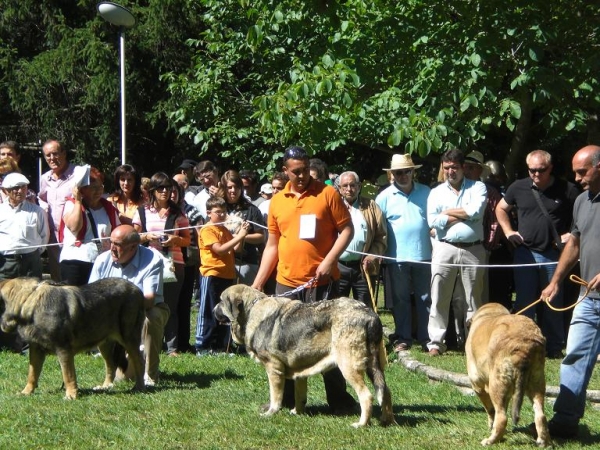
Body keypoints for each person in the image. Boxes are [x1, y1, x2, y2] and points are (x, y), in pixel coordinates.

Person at [251, 145, 357, 413]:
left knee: (328, 342)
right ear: (285, 171)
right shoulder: (277, 201)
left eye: (305, 169)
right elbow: (272, 245)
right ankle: (286, 400)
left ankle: (339, 400)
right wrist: (258, 282)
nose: (301, 176)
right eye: (295, 172)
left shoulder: (327, 193)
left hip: (322, 283)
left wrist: (330, 260)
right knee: (282, 344)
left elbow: (346, 229)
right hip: (287, 284)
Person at [540, 145, 600, 438]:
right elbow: (573, 245)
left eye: (582, 171)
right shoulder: (581, 202)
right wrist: (555, 281)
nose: (577, 178)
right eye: (575, 172)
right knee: (574, 355)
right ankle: (564, 421)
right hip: (588, 299)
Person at [496, 150, 579, 358]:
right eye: (531, 170)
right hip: (525, 254)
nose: (535, 174)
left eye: (540, 170)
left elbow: (583, 212)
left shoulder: (566, 189)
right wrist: (508, 232)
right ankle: (523, 345)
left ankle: (554, 347)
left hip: (554, 255)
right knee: (525, 302)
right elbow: (501, 209)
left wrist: (573, 233)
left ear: (550, 168)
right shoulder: (518, 187)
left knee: (553, 302)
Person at [89, 225, 170, 387]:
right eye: (111, 242)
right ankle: (111, 376)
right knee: (124, 378)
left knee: (151, 317)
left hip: (146, 311)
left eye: (117, 244)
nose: (112, 248)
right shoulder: (102, 260)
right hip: (113, 319)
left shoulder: (152, 259)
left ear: (133, 247)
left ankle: (151, 375)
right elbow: (91, 297)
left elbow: (148, 300)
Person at [427, 149, 487, 356]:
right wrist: (462, 214)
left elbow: (476, 212)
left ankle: (474, 343)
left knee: (473, 299)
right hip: (445, 248)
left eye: (454, 167)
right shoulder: (435, 192)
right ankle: (436, 342)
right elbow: (433, 221)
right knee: (439, 296)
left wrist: (446, 213)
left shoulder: (478, 187)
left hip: (473, 249)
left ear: (462, 168)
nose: (450, 172)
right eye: (446, 168)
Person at [376, 154, 432, 352]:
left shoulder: (426, 192)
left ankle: (427, 338)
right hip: (396, 257)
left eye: (406, 171)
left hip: (425, 254)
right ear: (392, 174)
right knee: (400, 300)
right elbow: (378, 228)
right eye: (398, 172)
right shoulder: (383, 197)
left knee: (425, 298)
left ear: (413, 172)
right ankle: (403, 337)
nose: (403, 176)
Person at [132, 173, 191, 356]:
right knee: (148, 304)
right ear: (152, 191)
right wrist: (146, 237)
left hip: (173, 264)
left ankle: (172, 347)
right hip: (147, 264)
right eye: (160, 188)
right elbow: (133, 237)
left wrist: (175, 239)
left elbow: (187, 240)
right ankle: (146, 342)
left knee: (170, 306)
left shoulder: (178, 213)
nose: (165, 191)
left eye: (168, 188)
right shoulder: (142, 211)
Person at [195, 196, 250, 355]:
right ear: (208, 213)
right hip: (212, 274)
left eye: (224, 212)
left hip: (227, 274)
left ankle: (221, 345)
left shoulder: (224, 229)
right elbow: (219, 249)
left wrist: (242, 233)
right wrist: (239, 236)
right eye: (218, 212)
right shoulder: (208, 229)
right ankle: (203, 345)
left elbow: (237, 248)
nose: (221, 215)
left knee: (226, 311)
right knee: (208, 310)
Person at [59, 167, 120, 285]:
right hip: (75, 262)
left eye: (100, 187)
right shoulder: (71, 204)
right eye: (94, 188)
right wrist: (78, 201)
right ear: (82, 190)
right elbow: (74, 227)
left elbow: (117, 230)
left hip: (101, 261)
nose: (98, 191)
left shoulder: (108, 207)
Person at [336, 170, 387, 308]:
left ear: (359, 187)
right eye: (345, 186)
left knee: (364, 309)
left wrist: (372, 256)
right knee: (337, 310)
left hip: (363, 267)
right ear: (339, 189)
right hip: (338, 266)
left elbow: (381, 236)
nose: (349, 189)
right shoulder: (333, 206)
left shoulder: (371, 206)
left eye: (352, 185)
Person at [463, 151, 506, 305]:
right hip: (456, 245)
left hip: (479, 247)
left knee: (478, 292)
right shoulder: (455, 189)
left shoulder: (490, 192)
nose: (467, 171)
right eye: (465, 167)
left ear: (480, 171)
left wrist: (488, 246)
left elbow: (495, 222)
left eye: (471, 168)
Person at [38, 139, 77, 281]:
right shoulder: (45, 178)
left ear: (64, 153)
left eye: (55, 153)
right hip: (53, 237)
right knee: (56, 277)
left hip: (74, 236)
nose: (52, 158)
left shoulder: (77, 174)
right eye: (48, 155)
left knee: (73, 278)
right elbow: (42, 198)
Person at [218, 170, 265, 284]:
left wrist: (241, 237)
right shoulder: (217, 209)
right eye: (229, 187)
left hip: (246, 263)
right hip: (221, 262)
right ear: (223, 188)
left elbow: (260, 236)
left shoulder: (251, 209)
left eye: (237, 187)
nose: (233, 191)